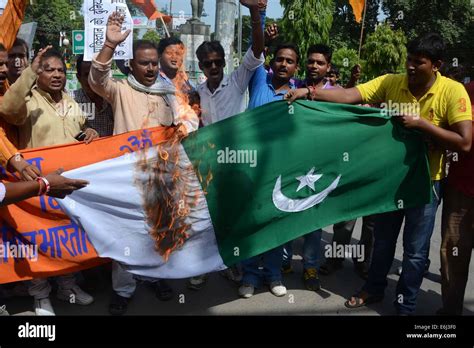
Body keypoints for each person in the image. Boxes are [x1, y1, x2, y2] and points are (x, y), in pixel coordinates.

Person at [286, 33, 472, 315]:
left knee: (415, 252)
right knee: (382, 242)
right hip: (391, 181)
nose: (410, 67)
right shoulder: (391, 82)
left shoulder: (453, 91)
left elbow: (465, 141)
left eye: (418, 62)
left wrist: (422, 125)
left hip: (426, 184)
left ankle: (405, 305)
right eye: (408, 60)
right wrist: (309, 93)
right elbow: (350, 95)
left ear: (437, 65)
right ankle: (373, 289)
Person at [88, 11, 180, 316]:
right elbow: (97, 78)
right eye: (145, 63)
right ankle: (123, 289)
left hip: (162, 175)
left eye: (155, 62)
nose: (151, 67)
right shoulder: (120, 88)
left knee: (158, 231)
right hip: (126, 176)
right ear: (131, 64)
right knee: (125, 234)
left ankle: (156, 278)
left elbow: (180, 127)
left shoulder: (168, 91)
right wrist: (110, 45)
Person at [0, 46, 99, 315]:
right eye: (48, 70)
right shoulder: (27, 101)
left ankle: (67, 286)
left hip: (66, 187)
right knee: (36, 241)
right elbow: (7, 110)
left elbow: (77, 132)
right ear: (37, 74)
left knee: (66, 236)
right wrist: (30, 71)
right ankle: (40, 295)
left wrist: (88, 130)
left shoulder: (70, 100)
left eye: (60, 70)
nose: (56, 75)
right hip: (37, 186)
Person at [192, 0, 266, 291]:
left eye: (217, 61)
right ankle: (201, 268)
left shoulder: (237, 81)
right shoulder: (196, 92)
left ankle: (238, 267)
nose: (213, 66)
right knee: (207, 219)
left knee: (238, 218)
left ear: (224, 62)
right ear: (201, 66)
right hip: (209, 166)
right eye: (207, 63)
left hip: (238, 163)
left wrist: (253, 12)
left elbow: (257, 50)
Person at [438, 77, 473, 315]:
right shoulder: (464, 92)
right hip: (463, 189)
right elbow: (446, 132)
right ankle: (451, 313)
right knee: (453, 253)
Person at [74, 55, 114, 137]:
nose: (92, 79)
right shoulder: (72, 101)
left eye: (96, 74)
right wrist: (84, 130)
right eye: (87, 74)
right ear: (79, 78)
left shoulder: (116, 97)